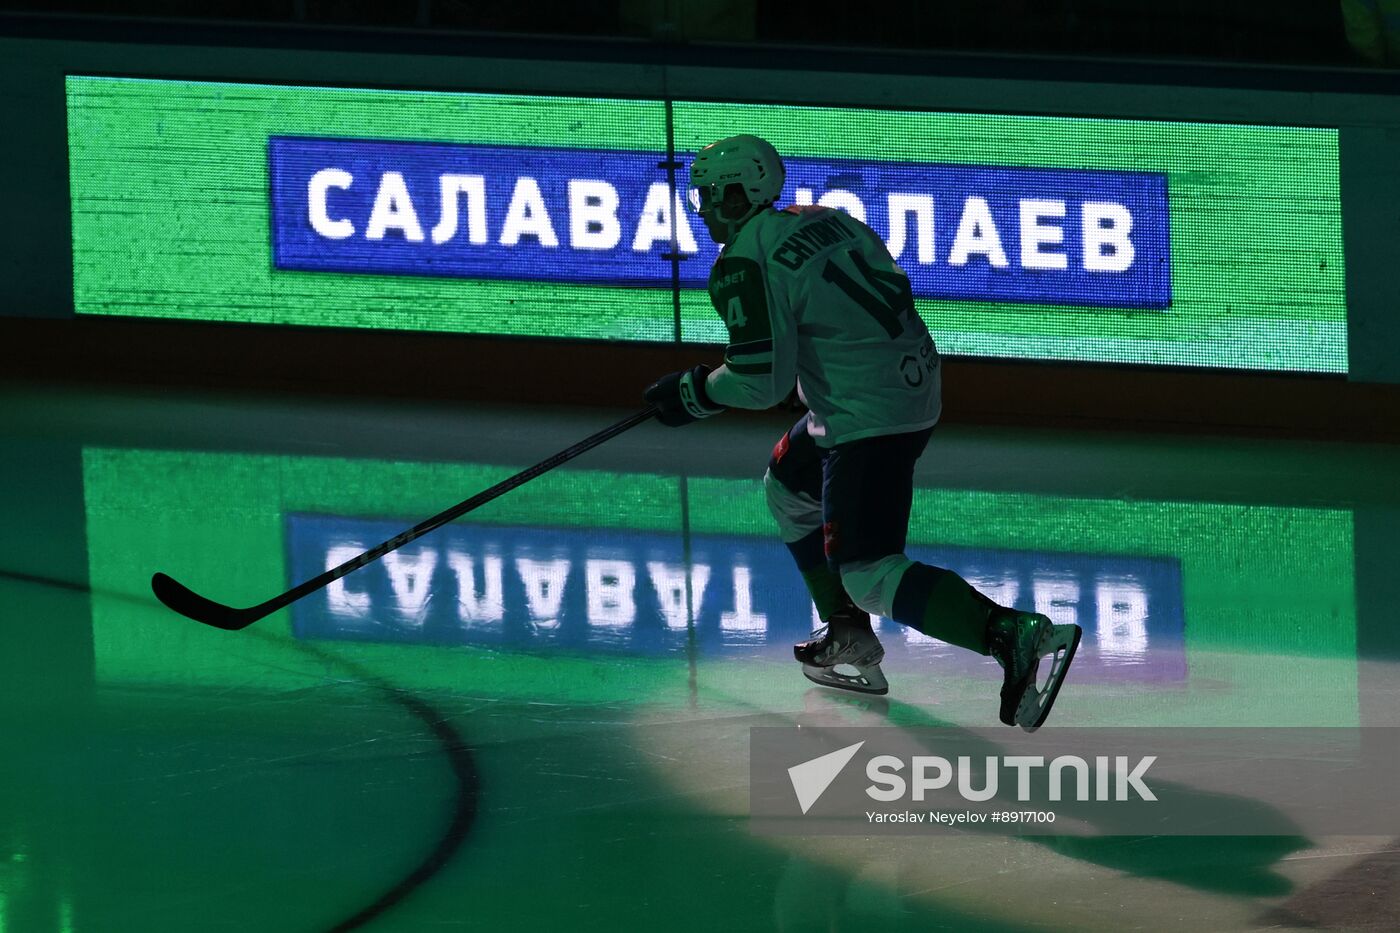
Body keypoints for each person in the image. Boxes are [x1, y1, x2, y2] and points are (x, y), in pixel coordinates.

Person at [643, 134, 1080, 730]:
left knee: (870, 571)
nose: (702, 210)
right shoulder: (827, 218)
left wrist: (693, 391)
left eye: (708, 196)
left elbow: (759, 382)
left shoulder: (744, 259)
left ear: (738, 194)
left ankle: (1008, 632)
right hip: (906, 383)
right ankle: (847, 631)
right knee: (787, 486)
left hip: (866, 414)